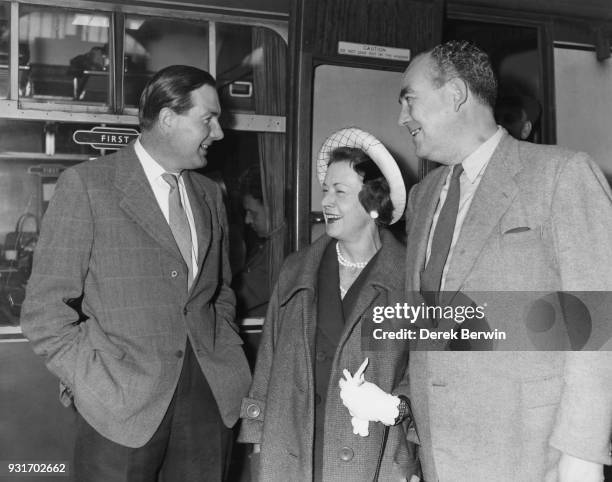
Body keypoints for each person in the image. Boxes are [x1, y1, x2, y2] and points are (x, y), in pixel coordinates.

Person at [20, 65, 251, 482]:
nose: (218, 133)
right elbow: (45, 312)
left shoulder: (209, 194)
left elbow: (219, 293)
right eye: (208, 119)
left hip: (209, 399)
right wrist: (95, 385)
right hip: (119, 408)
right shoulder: (88, 186)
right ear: (167, 118)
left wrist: (226, 350)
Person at [393, 40, 611, 481]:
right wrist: (413, 443)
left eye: (409, 100)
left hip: (531, 454)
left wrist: (582, 454)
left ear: (455, 95)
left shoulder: (562, 175)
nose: (402, 118)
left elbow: (598, 326)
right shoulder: (423, 197)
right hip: (439, 454)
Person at [239, 128, 417, 481]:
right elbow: (269, 363)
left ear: (374, 201)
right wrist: (257, 443)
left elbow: (429, 372)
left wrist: (396, 405)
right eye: (325, 190)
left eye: (340, 192)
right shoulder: (296, 270)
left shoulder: (411, 279)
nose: (327, 202)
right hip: (293, 449)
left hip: (375, 455)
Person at [232, 166, 271, 318]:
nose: (247, 220)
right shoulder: (267, 246)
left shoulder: (281, 251)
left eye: (253, 213)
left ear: (273, 210)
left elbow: (243, 296)